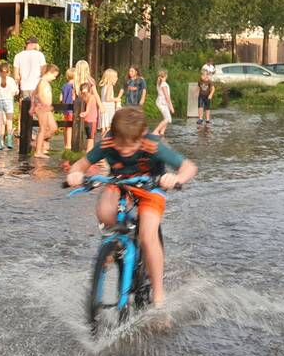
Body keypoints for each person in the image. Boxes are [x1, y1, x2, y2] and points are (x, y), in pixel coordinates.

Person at [66, 107, 198, 307]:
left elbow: (189, 167)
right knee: (104, 211)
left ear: (142, 135)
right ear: (113, 135)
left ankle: (159, 294)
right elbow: (81, 164)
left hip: (151, 186)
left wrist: (176, 178)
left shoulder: (152, 145)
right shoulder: (107, 142)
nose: (126, 150)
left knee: (147, 234)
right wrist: (75, 174)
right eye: (121, 144)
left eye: (132, 145)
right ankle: (116, 243)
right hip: (120, 183)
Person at [13, 37, 47, 146]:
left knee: (24, 109)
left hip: (24, 86)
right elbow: (44, 71)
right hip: (36, 86)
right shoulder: (40, 55)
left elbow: (16, 75)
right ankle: (34, 134)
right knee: (36, 110)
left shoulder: (18, 56)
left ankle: (23, 132)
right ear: (34, 44)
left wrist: (18, 84)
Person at [0, 62, 18, 149]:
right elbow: (15, 92)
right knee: (9, 121)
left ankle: (0, 142)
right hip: (8, 101)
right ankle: (9, 141)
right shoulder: (11, 80)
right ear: (9, 72)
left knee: (1, 123)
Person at [33, 64, 60, 157]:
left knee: (53, 128)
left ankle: (37, 143)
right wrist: (45, 105)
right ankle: (38, 151)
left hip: (46, 108)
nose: (54, 78)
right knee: (43, 129)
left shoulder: (45, 83)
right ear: (48, 73)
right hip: (42, 108)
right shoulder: (42, 82)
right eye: (54, 76)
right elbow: (39, 95)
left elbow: (33, 93)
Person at [80, 81, 100, 150]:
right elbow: (88, 108)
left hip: (86, 121)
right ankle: (89, 152)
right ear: (90, 89)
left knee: (89, 137)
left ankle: (88, 151)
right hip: (92, 120)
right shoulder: (92, 97)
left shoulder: (82, 97)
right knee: (91, 138)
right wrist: (85, 113)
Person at [153, 69, 175, 136]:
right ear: (166, 75)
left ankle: (162, 132)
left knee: (167, 118)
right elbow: (167, 97)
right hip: (162, 103)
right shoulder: (164, 84)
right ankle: (155, 131)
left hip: (162, 102)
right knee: (167, 119)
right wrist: (171, 107)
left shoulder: (159, 83)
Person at [61, 67, 76, 149]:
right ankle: (69, 145)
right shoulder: (74, 87)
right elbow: (73, 98)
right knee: (70, 127)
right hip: (71, 109)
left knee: (65, 126)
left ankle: (65, 143)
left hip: (65, 109)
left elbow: (61, 98)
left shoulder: (64, 86)